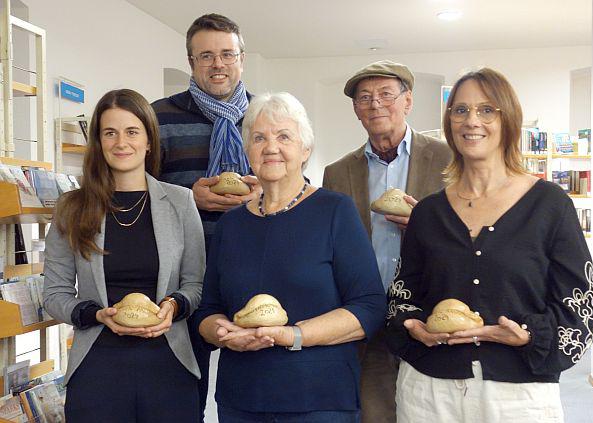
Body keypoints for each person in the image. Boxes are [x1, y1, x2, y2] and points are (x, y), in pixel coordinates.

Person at [385, 67, 593, 422]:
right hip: (428, 392)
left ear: (508, 119)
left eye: (486, 110)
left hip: (519, 397)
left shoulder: (549, 204)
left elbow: (581, 307)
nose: (472, 121)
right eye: (460, 110)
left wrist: (527, 336)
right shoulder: (428, 212)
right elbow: (403, 296)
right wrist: (414, 325)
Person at [197, 92, 387, 422]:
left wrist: (291, 335)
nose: (271, 147)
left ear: (305, 149)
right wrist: (223, 333)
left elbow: (369, 308)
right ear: (247, 151)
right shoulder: (230, 225)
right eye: (259, 138)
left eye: (284, 136)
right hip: (241, 399)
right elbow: (208, 308)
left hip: (319, 399)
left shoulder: (334, 211)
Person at [43, 89, 205, 422]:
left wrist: (173, 306)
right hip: (97, 367)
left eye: (132, 132)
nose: (121, 142)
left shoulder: (181, 202)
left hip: (169, 364)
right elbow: (55, 294)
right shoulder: (72, 208)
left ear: (149, 141)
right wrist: (96, 314)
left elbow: (195, 284)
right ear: (99, 142)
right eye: (109, 133)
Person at [322, 60, 452, 423]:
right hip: (370, 313)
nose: (375, 104)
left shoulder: (448, 159)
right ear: (355, 110)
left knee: (431, 410)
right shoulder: (337, 172)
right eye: (364, 98)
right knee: (374, 411)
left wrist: (424, 227)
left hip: (431, 312)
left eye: (385, 95)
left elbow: (470, 234)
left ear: (407, 101)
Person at [151, 14, 260, 419]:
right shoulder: (159, 116)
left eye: (227, 54)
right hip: (183, 274)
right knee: (184, 390)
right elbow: (136, 191)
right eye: (206, 55)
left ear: (242, 59)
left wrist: (263, 194)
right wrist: (186, 196)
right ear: (191, 62)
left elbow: (293, 185)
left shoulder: (266, 116)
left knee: (252, 380)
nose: (218, 64)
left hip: (252, 267)